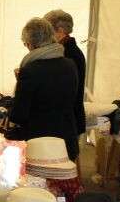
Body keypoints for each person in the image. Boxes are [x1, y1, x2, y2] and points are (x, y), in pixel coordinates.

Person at [9, 17, 79, 161]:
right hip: (66, 140)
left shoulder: (30, 70)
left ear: (30, 43)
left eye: (25, 44)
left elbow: (18, 115)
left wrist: (20, 84)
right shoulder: (70, 65)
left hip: (40, 145)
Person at [44, 9, 86, 136]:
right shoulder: (64, 51)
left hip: (66, 120)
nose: (45, 35)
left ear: (60, 31)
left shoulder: (70, 53)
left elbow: (62, 90)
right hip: (64, 119)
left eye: (48, 31)